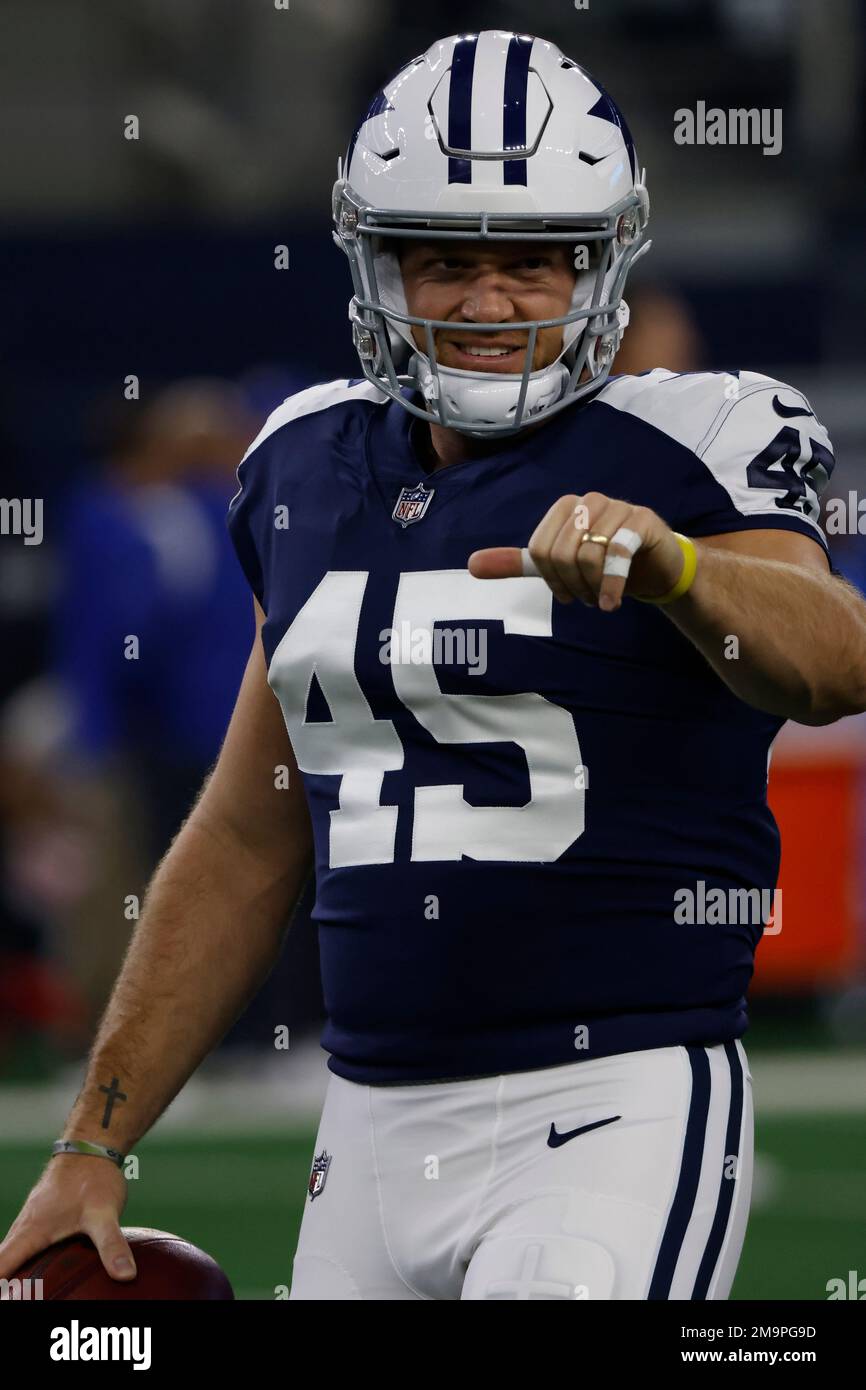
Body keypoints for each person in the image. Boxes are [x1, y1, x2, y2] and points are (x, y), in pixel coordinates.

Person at [3, 31, 866, 1302]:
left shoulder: (694, 438)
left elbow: (833, 660)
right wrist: (93, 1137)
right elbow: (248, 833)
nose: (485, 302)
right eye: (441, 259)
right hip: (365, 1128)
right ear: (372, 262)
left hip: (609, 1102)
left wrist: (678, 569)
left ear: (601, 262)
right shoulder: (302, 462)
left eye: (531, 261)